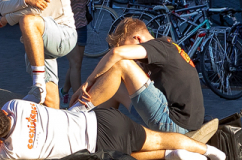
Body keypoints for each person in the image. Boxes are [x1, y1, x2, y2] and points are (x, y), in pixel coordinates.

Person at [0, 99, 225, 160]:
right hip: (100, 119)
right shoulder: (16, 105)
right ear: (3, 113)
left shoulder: (10, 150)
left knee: (125, 155)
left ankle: (179, 153)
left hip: (94, 146)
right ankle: (203, 149)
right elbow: (5, 117)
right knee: (155, 137)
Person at [73, 17, 203, 135]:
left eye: (127, 48)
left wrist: (89, 81)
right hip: (178, 120)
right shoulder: (161, 50)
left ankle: (73, 118)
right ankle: (95, 131)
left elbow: (116, 53)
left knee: (122, 63)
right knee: (114, 83)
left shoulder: (159, 46)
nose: (132, 57)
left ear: (137, 39)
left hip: (175, 123)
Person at [60, 0, 91, 101]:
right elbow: (67, 1)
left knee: (77, 63)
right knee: (75, 63)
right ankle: (78, 100)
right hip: (67, 27)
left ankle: (65, 90)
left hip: (81, 25)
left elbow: (85, 1)